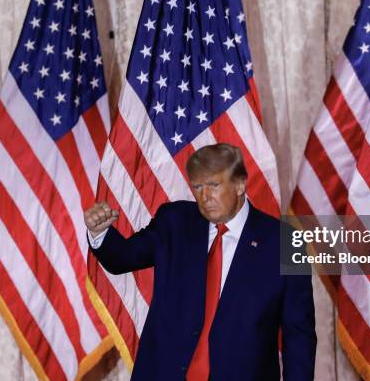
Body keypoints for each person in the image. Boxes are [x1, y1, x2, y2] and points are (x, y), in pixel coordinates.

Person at [84, 143, 316, 380]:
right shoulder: (174, 222)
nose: (204, 196)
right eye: (197, 186)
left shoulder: (288, 242)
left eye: (213, 185)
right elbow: (123, 258)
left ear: (239, 185)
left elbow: (299, 335)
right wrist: (100, 233)